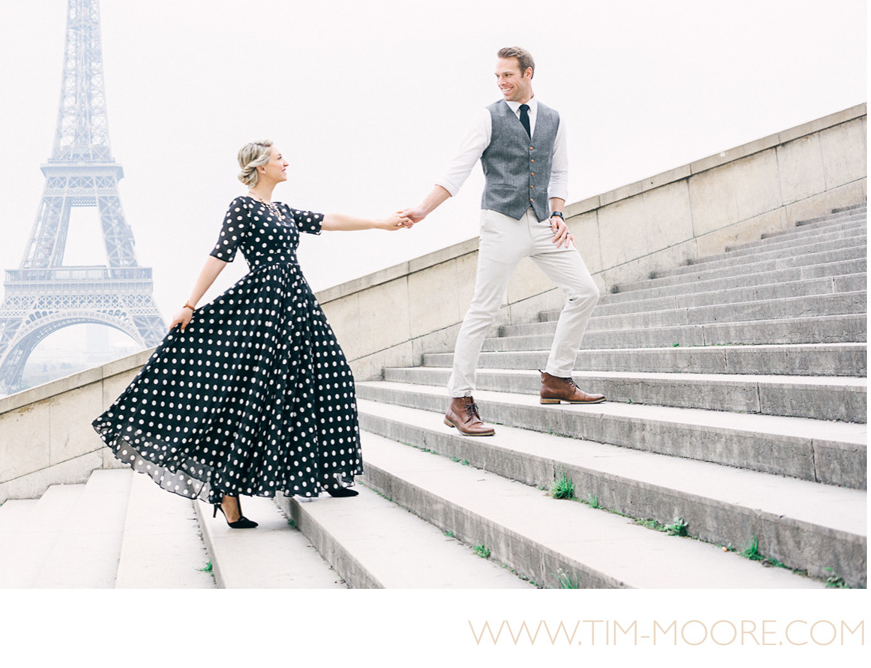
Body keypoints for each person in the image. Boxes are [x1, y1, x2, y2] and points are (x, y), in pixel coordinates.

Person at [92, 139, 412, 528]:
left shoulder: (281, 209)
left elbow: (328, 220)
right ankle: (228, 493)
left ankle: (327, 470)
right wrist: (190, 304)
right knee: (255, 396)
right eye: (280, 158)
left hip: (296, 304)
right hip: (262, 308)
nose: (286, 162)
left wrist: (380, 222)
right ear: (262, 166)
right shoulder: (242, 207)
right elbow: (220, 254)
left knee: (330, 376)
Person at [403, 46, 604, 438]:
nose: (501, 83)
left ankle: (557, 379)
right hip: (501, 222)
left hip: (545, 223)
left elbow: (558, 173)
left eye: (508, 76)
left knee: (586, 291)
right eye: (497, 76)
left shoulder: (553, 119)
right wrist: (423, 210)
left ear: (528, 73)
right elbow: (457, 170)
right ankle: (459, 401)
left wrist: (559, 213)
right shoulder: (487, 117)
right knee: (484, 309)